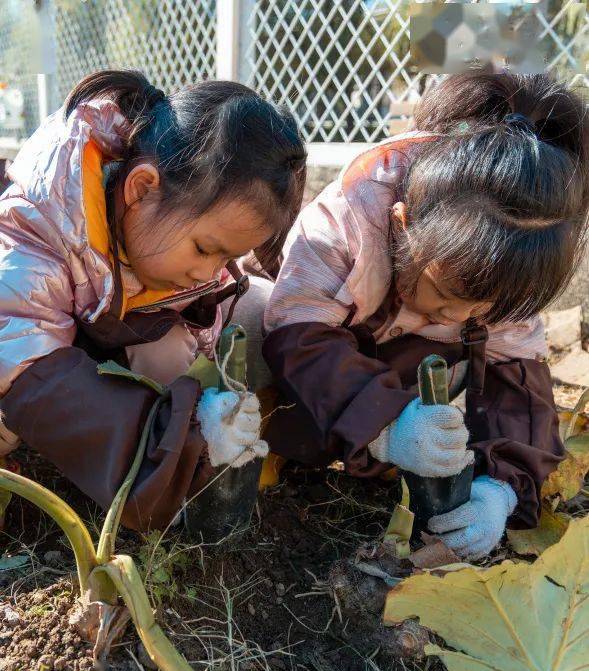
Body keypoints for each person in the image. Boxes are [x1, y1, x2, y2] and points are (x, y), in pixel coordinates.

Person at [262, 71, 589, 560]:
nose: (459, 313)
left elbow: (518, 383)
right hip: (305, 366)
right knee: (253, 329)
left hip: (392, 368)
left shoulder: (508, 273)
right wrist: (388, 424)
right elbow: (295, 333)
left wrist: (502, 489)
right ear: (403, 222)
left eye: (486, 305)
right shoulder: (350, 215)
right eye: (445, 290)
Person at [0, 69, 307, 534]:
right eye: (206, 249)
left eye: (229, 256)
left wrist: (209, 414)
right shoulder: (37, 231)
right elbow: (26, 366)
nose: (211, 271)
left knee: (170, 349)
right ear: (142, 189)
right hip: (22, 358)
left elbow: (210, 323)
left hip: (92, 337)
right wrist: (167, 446)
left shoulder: (171, 249)